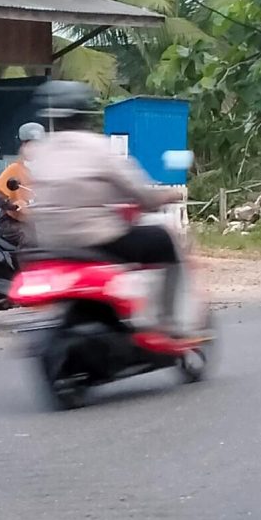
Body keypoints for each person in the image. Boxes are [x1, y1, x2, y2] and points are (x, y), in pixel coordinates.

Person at [21, 81, 194, 332]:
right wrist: (168, 195)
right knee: (164, 240)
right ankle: (168, 320)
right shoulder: (97, 146)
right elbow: (139, 191)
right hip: (97, 239)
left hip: (50, 243)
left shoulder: (41, 151)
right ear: (84, 113)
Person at [0, 122, 45, 248]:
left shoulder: (46, 170)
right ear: (22, 146)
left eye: (38, 145)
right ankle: (24, 268)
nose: (34, 149)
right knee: (29, 240)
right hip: (11, 221)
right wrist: (12, 205)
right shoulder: (15, 169)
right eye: (30, 145)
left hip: (37, 221)